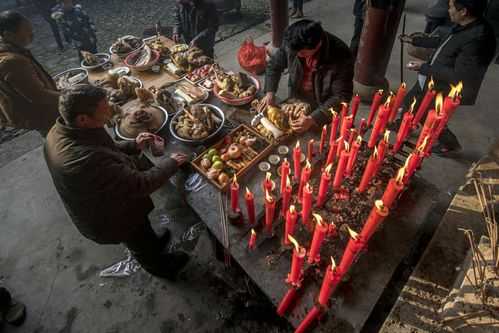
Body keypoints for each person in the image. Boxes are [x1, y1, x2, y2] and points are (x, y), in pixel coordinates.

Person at [44, 85, 190, 280]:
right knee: (136, 238)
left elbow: (102, 147)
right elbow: (140, 184)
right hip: (110, 216)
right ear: (83, 119)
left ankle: (154, 244)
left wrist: (132, 145)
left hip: (109, 197)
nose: (110, 113)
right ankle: (161, 267)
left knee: (142, 232)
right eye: (104, 110)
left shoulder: (65, 127)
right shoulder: (84, 160)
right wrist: (172, 162)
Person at [400, 0, 496, 156]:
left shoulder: (477, 39)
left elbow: (460, 76)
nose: (448, 10)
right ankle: (404, 124)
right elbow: (445, 42)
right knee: (411, 99)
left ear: (463, 11)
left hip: (446, 85)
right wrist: (415, 40)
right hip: (433, 75)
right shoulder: (466, 24)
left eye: (451, 7)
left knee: (429, 116)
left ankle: (450, 144)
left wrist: (423, 67)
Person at [263, 20, 354, 133]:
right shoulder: (292, 43)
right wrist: (270, 92)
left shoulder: (341, 56)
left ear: (318, 45)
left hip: (323, 102)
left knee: (316, 132)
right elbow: (274, 65)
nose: (297, 55)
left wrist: (313, 118)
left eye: (302, 53)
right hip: (297, 94)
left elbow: (341, 96)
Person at [0, 11, 59, 136]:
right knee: (58, 135)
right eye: (26, 30)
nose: (32, 33)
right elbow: (39, 96)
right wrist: (69, 97)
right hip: (42, 114)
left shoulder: (13, 51)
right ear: (8, 35)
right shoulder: (12, 61)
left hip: (36, 112)